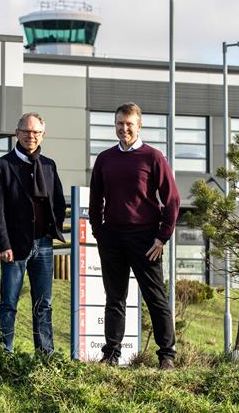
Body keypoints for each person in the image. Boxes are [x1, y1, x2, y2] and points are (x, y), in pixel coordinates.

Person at [89, 102, 179, 370]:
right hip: (113, 238)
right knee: (114, 298)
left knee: (155, 297)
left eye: (129, 124)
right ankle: (111, 355)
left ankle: (167, 356)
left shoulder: (153, 157)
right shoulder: (105, 159)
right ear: (114, 125)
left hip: (146, 239)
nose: (124, 128)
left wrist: (162, 237)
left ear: (139, 126)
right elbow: (95, 200)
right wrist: (99, 232)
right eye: (119, 123)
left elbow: (172, 199)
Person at [0, 112, 66, 354]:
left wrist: (54, 229)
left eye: (36, 132)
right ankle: (4, 354)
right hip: (14, 247)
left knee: (44, 305)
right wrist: (3, 244)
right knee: (8, 304)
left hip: (43, 245)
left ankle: (45, 355)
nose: (30, 136)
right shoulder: (1, 166)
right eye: (26, 131)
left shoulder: (49, 165)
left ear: (43, 135)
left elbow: (59, 203)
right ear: (17, 132)